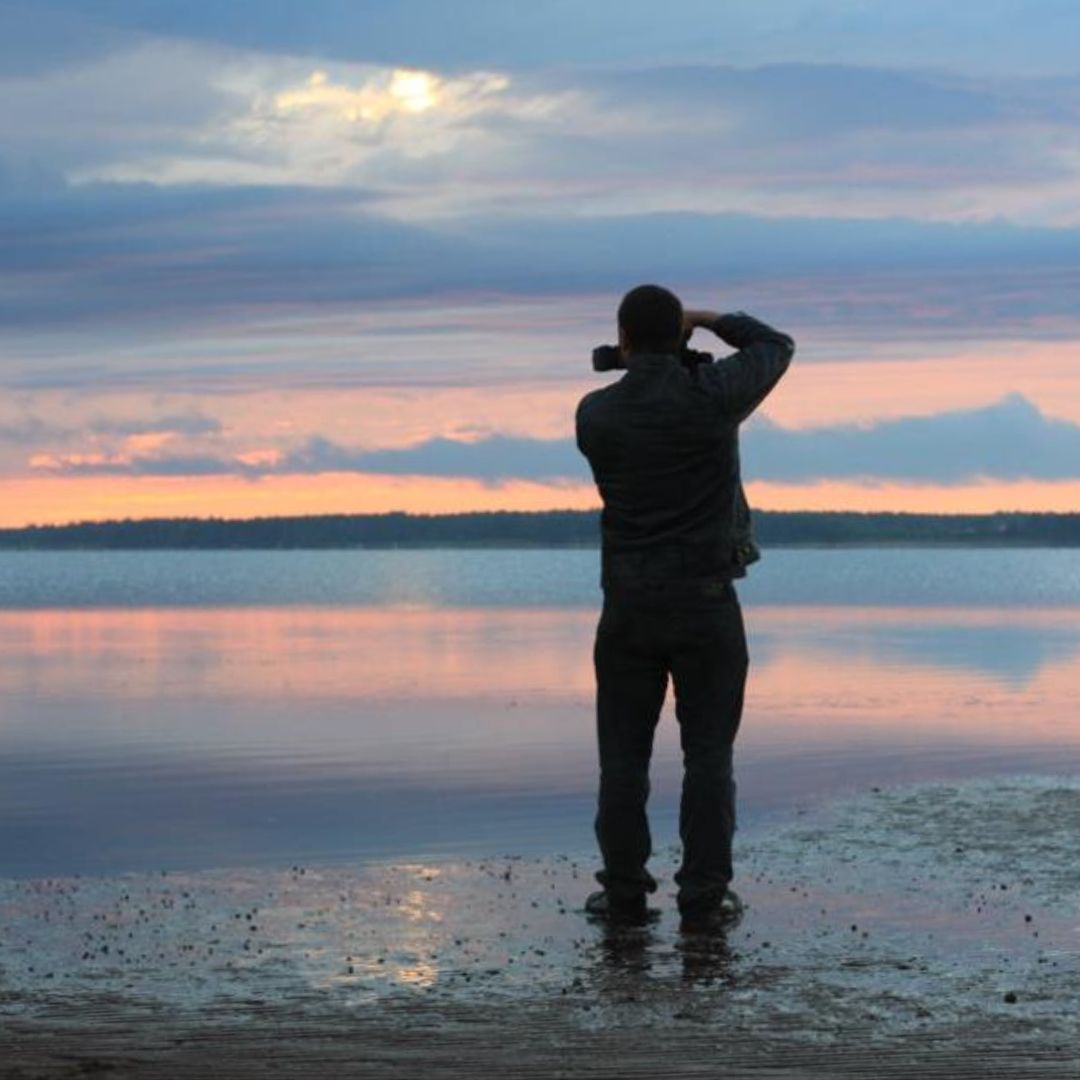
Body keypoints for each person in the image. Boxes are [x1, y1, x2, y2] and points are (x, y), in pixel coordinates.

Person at [575, 284, 794, 928]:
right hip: (705, 606)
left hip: (628, 609)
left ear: (622, 339)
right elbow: (775, 345)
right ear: (679, 337)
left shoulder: (594, 415)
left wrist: (664, 351)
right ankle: (702, 896)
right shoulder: (713, 399)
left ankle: (622, 895)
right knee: (708, 759)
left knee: (622, 761)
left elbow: (646, 395)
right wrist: (707, 322)